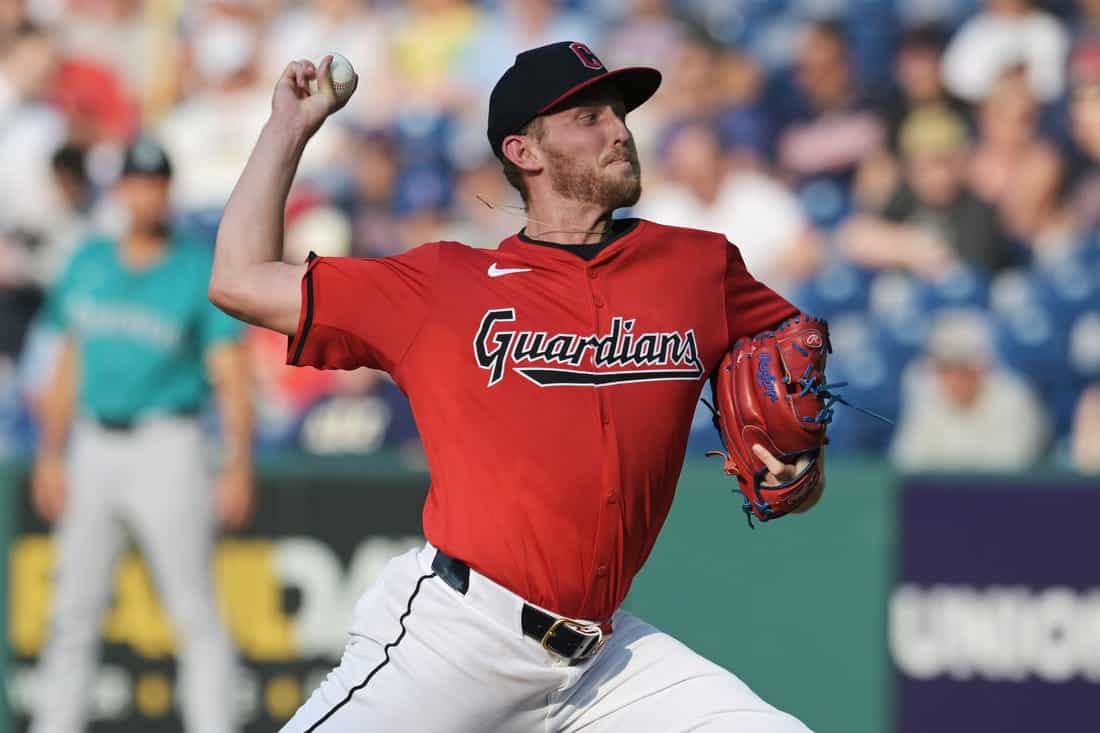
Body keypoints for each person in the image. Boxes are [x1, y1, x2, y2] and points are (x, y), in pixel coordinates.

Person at [210, 42, 819, 732]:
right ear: (524, 152)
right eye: (588, 116)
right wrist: (288, 129)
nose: (619, 129)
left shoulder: (697, 269)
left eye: (619, 113)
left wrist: (802, 461)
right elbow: (238, 277)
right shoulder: (442, 287)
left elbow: (793, 360)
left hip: (603, 662)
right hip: (459, 641)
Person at [29, 136, 253, 733]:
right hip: (92, 442)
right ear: (121, 189)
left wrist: (238, 464)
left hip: (168, 443)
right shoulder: (88, 260)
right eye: (135, 182)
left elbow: (231, 374)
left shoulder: (193, 266)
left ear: (167, 191)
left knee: (193, 611)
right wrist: (49, 455)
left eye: (155, 183)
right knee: (72, 611)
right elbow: (67, 362)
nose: (144, 193)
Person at [890, 308, 1048, 471]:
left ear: (982, 367)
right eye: (945, 368)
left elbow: (1010, 464)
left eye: (963, 367)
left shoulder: (1013, 397)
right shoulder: (926, 399)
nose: (955, 377)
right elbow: (906, 463)